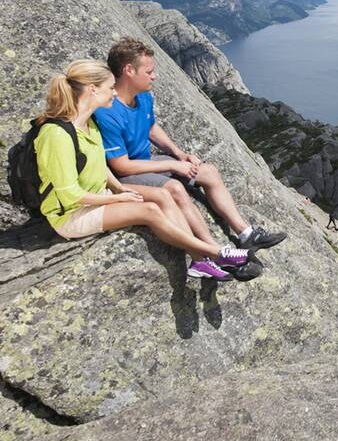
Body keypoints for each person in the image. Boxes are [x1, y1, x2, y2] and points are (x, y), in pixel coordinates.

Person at [34, 60, 254, 281]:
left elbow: (99, 165)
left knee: (163, 194)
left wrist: (119, 188)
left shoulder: (88, 125)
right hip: (71, 214)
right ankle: (214, 253)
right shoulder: (56, 135)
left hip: (99, 195)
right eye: (110, 88)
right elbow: (69, 194)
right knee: (149, 210)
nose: (114, 93)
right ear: (93, 89)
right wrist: (116, 200)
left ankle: (199, 262)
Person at [94, 38, 286, 252]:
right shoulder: (107, 111)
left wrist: (179, 154)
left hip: (147, 162)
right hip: (127, 175)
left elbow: (151, 129)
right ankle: (214, 252)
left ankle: (246, 234)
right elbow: (122, 167)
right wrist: (173, 166)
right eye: (149, 72)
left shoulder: (143, 97)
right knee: (176, 188)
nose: (154, 76)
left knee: (209, 172)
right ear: (129, 70)